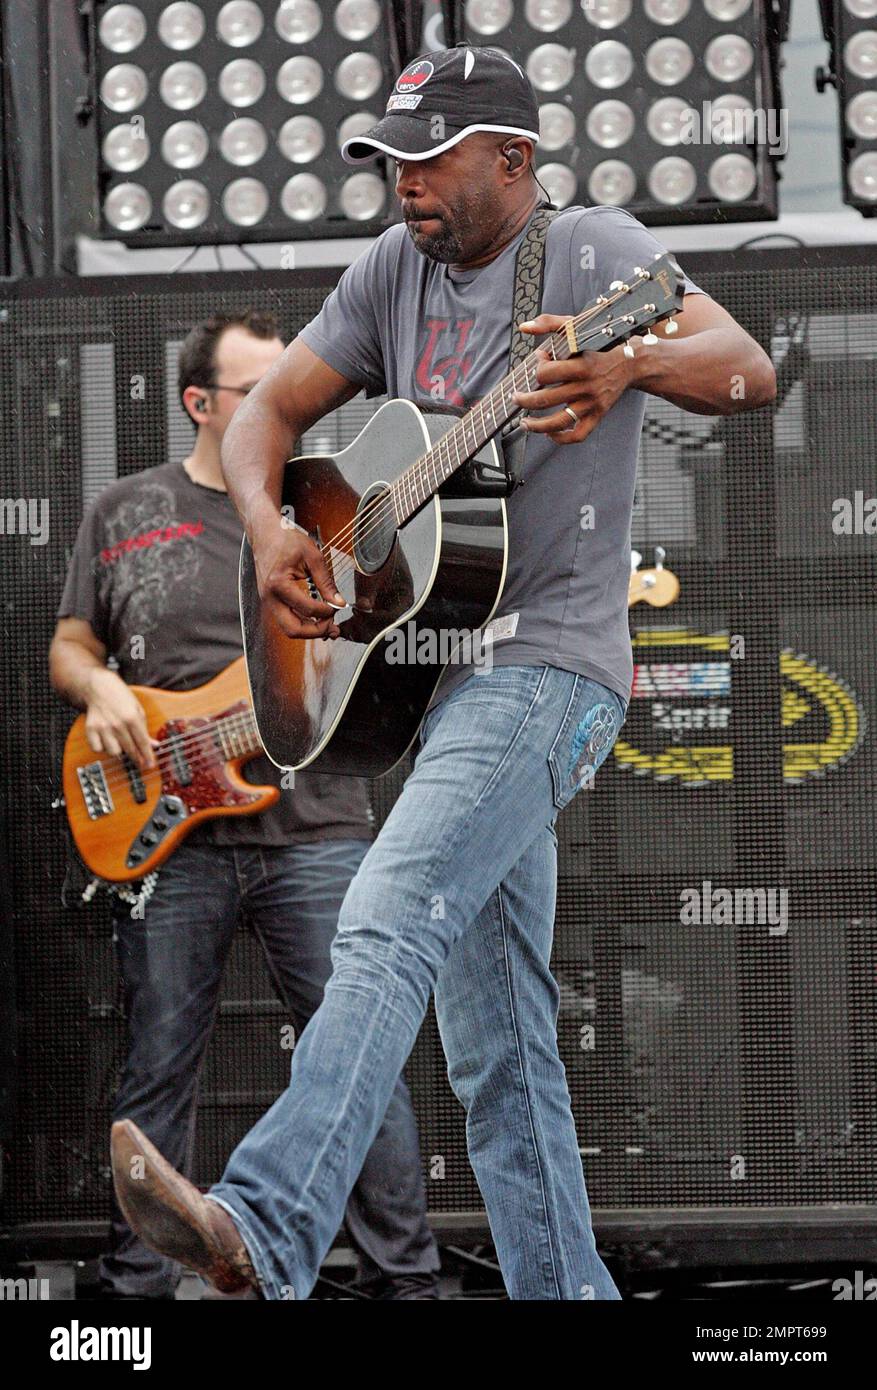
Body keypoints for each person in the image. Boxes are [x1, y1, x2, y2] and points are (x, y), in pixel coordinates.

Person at [110, 45, 777, 1300]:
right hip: (431, 680)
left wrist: (629, 363)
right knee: (499, 1054)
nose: (400, 183)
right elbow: (263, 421)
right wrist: (272, 531)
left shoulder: (593, 254)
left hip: (548, 670)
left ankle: (262, 1223)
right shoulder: (388, 272)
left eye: (427, 160)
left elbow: (748, 367)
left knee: (381, 917)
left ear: (513, 160)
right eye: (389, 160)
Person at [49, 309, 440, 1301]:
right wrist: (98, 690)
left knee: (359, 1058)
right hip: (167, 832)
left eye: (293, 392)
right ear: (198, 403)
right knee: (156, 1063)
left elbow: (396, 609)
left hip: (317, 826)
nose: (286, 409)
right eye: (258, 393)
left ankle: (405, 1282)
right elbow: (69, 644)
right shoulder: (125, 509)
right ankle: (133, 1295)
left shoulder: (327, 507)